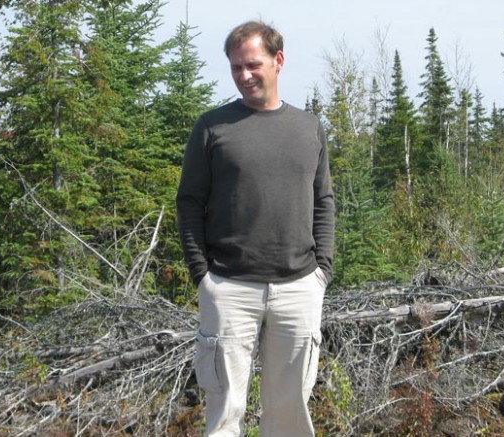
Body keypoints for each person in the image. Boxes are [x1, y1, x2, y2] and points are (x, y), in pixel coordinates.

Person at [176, 20, 335, 437]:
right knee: (225, 411)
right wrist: (201, 275)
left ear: (278, 61)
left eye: (253, 64)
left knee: (290, 412)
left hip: (299, 287)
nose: (244, 76)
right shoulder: (212, 128)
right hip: (229, 288)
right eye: (235, 68)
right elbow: (189, 201)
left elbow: (324, 201)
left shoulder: (308, 128)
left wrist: (322, 272)